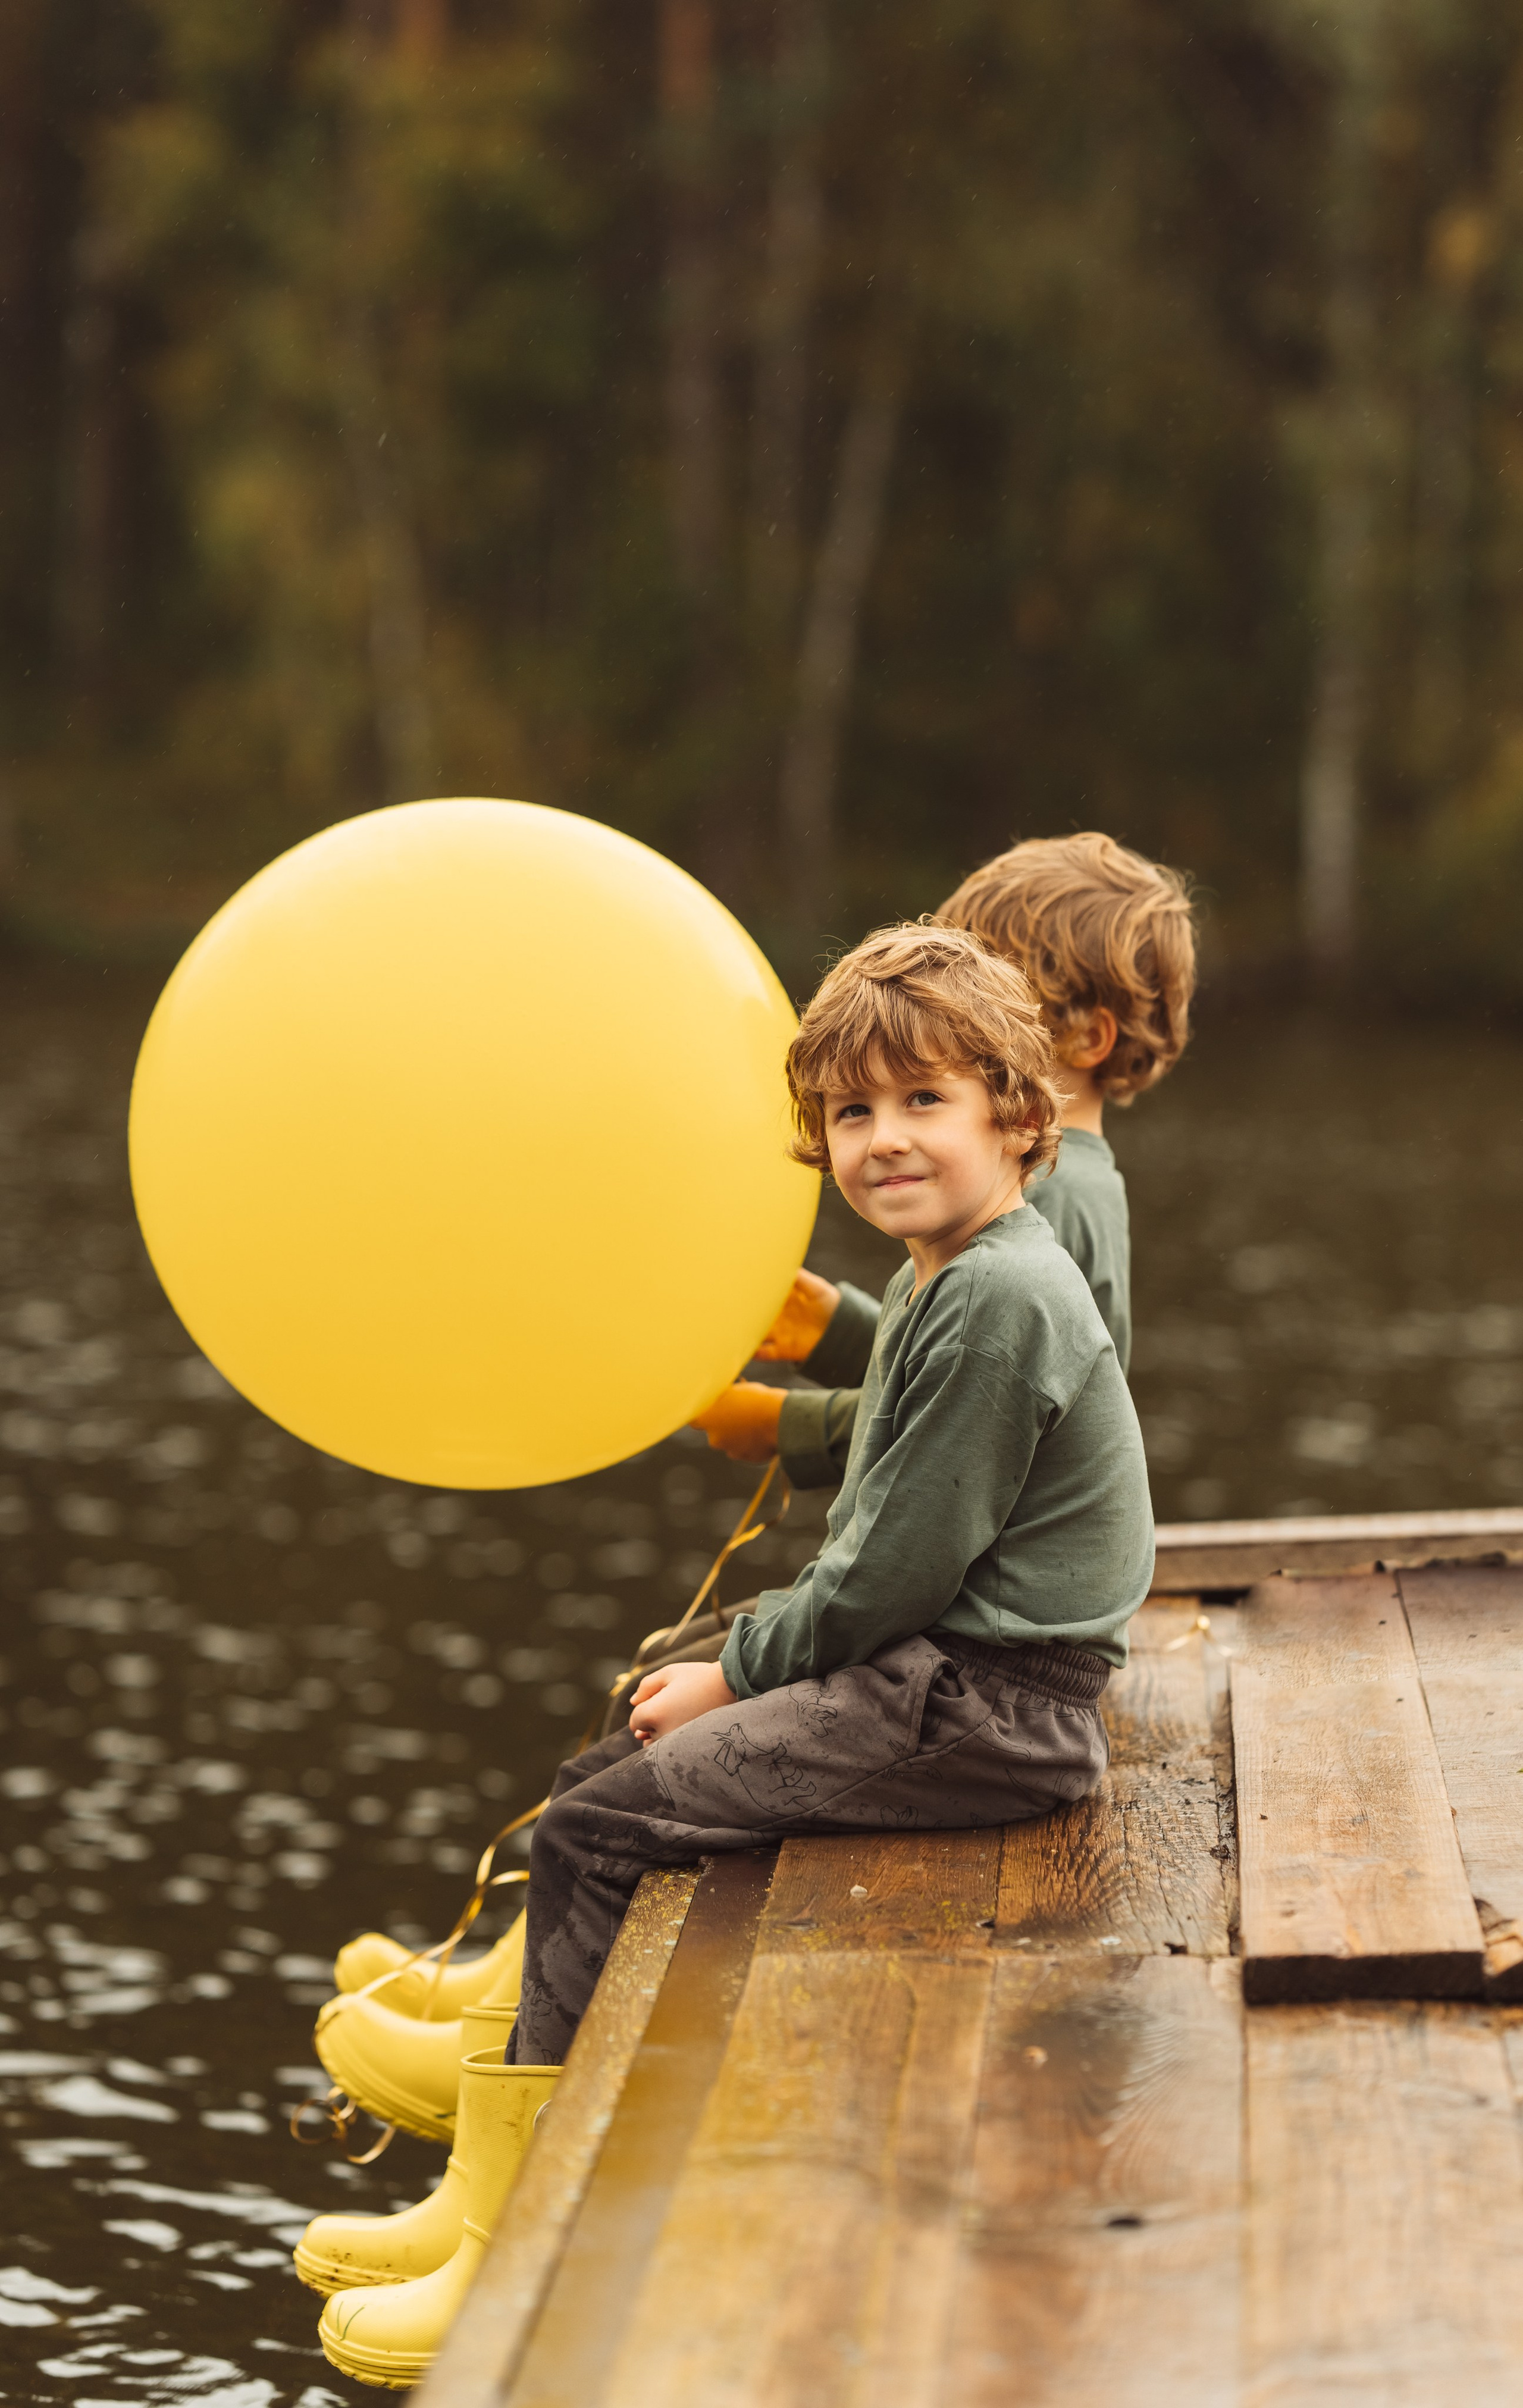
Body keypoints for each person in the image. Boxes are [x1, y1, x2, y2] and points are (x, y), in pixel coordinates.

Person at [507, 922, 1154, 2066]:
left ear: (1015, 1112)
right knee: (622, 1736)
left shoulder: (999, 1298)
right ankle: (505, 2034)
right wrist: (730, 1662)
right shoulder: (944, 1269)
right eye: (853, 1114)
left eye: (921, 1100)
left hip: (990, 1709)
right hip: (946, 1675)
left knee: (596, 1829)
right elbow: (878, 1553)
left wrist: (739, 1674)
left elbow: (896, 1569)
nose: (884, 1140)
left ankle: (523, 2168)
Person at [692, 830, 1195, 1483]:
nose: (955, 1008)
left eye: (994, 990)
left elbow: (977, 1426)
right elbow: (960, 1357)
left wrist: (789, 1426)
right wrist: (836, 1332)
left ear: (1089, 1036)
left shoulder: (1054, 1193)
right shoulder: (1056, 1177)